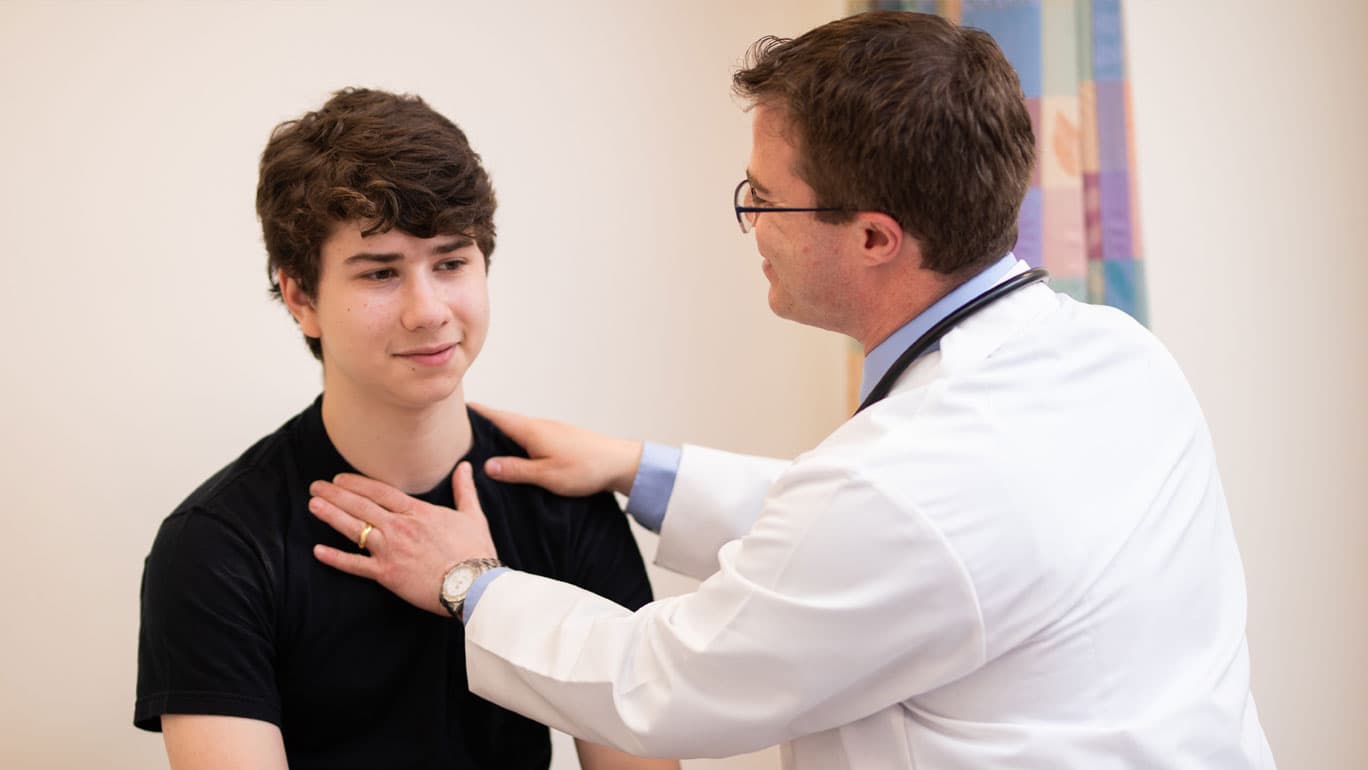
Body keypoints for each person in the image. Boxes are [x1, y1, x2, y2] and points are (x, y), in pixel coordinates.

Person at [308, 13, 1278, 770]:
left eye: (764, 198)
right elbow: (910, 546)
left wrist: (471, 582)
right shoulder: (1119, 357)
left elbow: (665, 680)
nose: (754, 225)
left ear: (874, 237)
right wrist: (642, 470)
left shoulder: (904, 491)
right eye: (381, 271)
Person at [134, 87, 679, 770]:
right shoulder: (217, 546)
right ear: (301, 297)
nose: (428, 311)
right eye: (382, 273)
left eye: (451, 262)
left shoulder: (561, 500)